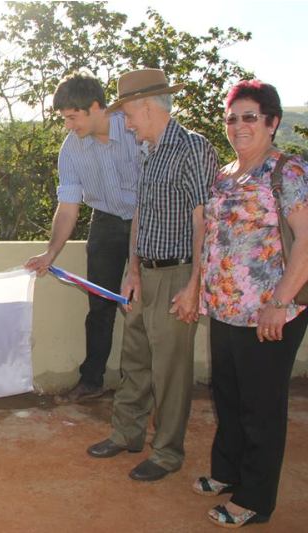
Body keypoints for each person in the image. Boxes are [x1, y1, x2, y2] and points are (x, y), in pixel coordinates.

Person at [86, 69, 218, 482]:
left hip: (179, 273)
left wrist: (194, 285)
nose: (126, 123)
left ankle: (167, 453)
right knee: (135, 360)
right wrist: (133, 269)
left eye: (127, 114)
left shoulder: (193, 148)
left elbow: (203, 220)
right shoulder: (150, 150)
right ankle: (127, 434)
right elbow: (140, 214)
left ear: (147, 106)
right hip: (145, 273)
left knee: (171, 370)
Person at [195, 80, 308, 528]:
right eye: (231, 118)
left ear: (272, 122)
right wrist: (196, 288)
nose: (238, 126)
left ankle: (255, 499)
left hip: (269, 311)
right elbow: (213, 237)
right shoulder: (225, 174)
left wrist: (278, 302)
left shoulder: (287, 171)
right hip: (225, 308)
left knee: (260, 406)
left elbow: (305, 241)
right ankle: (227, 472)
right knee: (228, 396)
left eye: (249, 117)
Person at [25, 71, 140, 404]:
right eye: (64, 118)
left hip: (145, 222)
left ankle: (139, 388)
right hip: (104, 223)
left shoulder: (135, 130)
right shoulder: (71, 149)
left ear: (95, 107)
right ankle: (92, 381)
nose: (68, 125)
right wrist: (50, 255)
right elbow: (67, 207)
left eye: (72, 117)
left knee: (141, 307)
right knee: (100, 306)